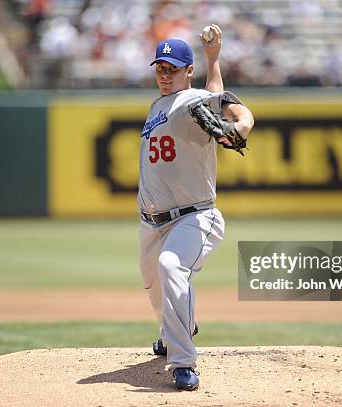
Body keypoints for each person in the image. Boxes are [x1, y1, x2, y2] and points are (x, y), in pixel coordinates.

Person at [138, 24, 254, 391]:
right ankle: (172, 330)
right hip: (151, 223)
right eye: (160, 68)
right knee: (155, 286)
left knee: (171, 267)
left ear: (188, 72)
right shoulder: (160, 105)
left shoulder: (189, 100)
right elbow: (212, 94)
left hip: (195, 216)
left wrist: (242, 127)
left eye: (172, 68)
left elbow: (234, 109)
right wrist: (212, 60)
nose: (165, 74)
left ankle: (183, 363)